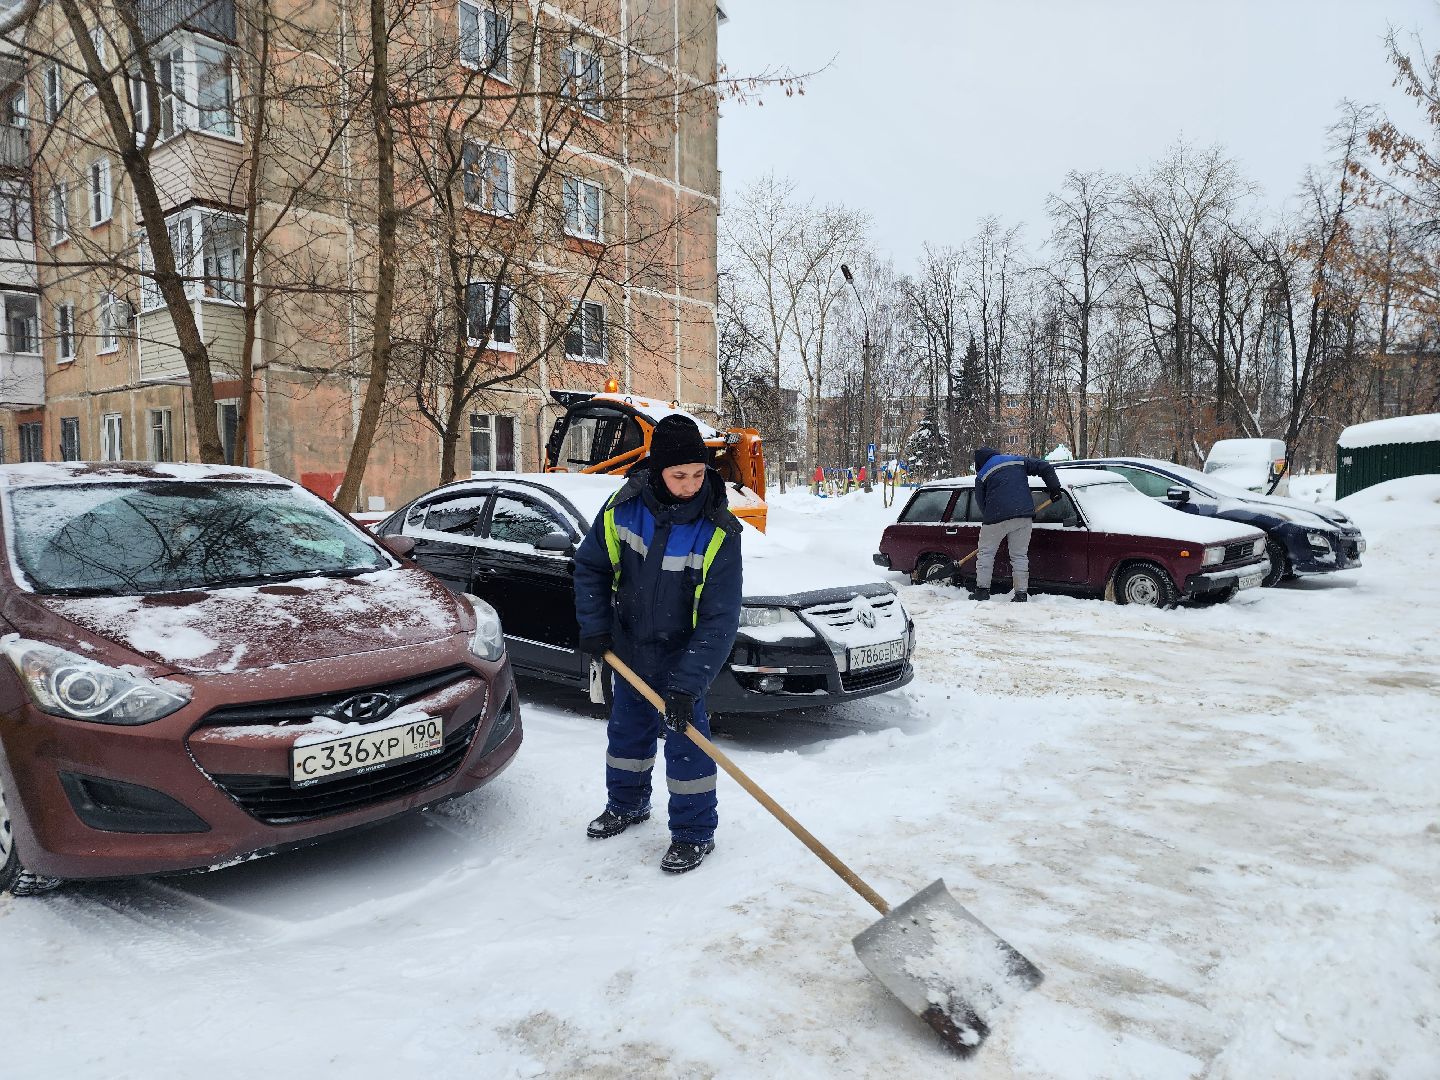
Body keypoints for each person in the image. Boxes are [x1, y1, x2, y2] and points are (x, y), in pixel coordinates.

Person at [573, 413, 744, 873]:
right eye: (679, 475)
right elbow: (591, 567)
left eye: (698, 474)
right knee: (627, 736)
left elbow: (720, 618)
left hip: (681, 656)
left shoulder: (718, 530)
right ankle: (626, 805)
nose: (690, 485)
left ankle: (694, 833)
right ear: (657, 471)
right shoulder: (622, 509)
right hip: (629, 650)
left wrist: (688, 684)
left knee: (688, 748)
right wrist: (596, 626)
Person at [971, 445, 1065, 603]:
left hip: (995, 517)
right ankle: (1021, 594)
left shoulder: (981, 475)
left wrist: (993, 516)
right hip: (1023, 515)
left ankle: (982, 591)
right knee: (1019, 555)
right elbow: (1045, 466)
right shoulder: (1017, 460)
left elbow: (981, 503)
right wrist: (1054, 488)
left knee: (986, 553)